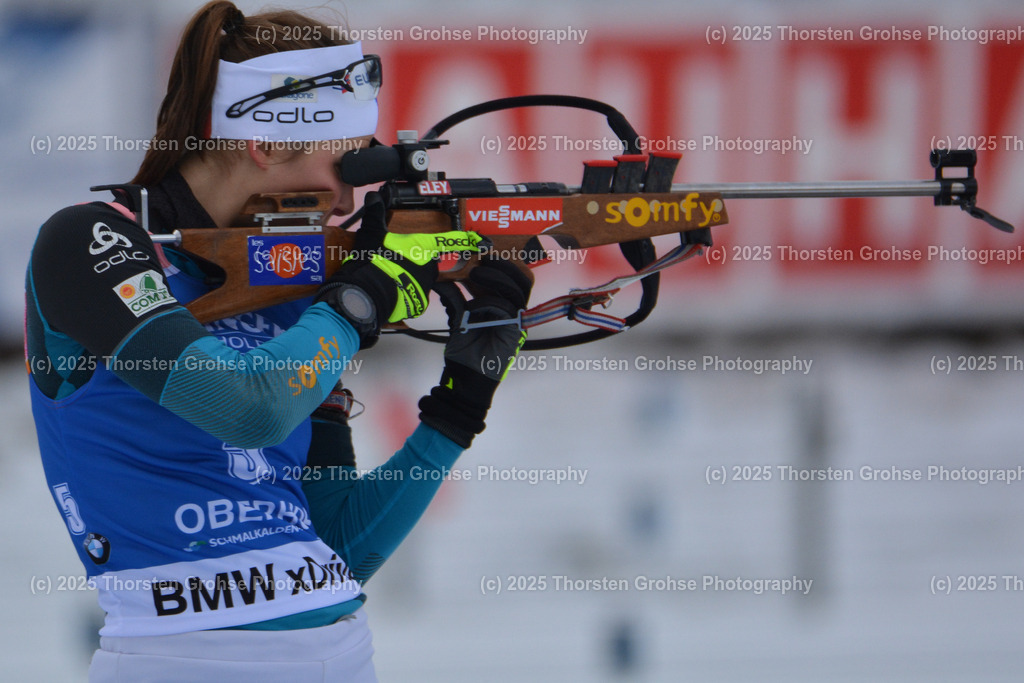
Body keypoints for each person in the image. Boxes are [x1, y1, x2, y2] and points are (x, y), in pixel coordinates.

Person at [24, 2, 530, 681]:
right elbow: (247, 406)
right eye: (348, 165)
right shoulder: (92, 241)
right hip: (182, 660)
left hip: (344, 657)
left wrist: (460, 404)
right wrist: (360, 298)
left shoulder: (292, 285)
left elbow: (337, 548)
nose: (351, 201)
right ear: (264, 143)